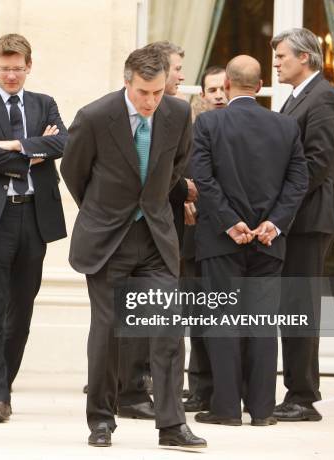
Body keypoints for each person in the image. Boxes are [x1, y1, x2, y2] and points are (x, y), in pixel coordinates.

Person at [61, 45, 206, 449]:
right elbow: (74, 172)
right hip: (108, 239)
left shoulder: (177, 114)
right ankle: (102, 421)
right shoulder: (94, 117)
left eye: (158, 92)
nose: (151, 101)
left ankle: (172, 425)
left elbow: (177, 164)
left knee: (167, 330)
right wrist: (105, 210)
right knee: (108, 332)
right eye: (144, 92)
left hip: (156, 238)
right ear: (127, 82)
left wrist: (151, 202)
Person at [191, 55, 307, 426]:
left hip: (221, 241)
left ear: (226, 86)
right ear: (259, 87)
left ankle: (225, 409)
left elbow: (202, 179)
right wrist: (274, 222)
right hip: (269, 241)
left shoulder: (208, 123)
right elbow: (298, 182)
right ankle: (262, 410)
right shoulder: (286, 127)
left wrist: (229, 222)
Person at [0, 33, 67, 423]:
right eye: (4, 68)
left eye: (18, 68)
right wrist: (32, 150)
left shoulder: (45, 103)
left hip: (34, 216)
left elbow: (63, 143)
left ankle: (4, 382)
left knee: (21, 310)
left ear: (29, 66)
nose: (11, 75)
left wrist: (10, 146)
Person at [270, 27, 334, 422]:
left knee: (300, 307)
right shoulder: (297, 98)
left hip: (309, 219)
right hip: (296, 219)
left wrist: (278, 211)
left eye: (282, 56)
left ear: (306, 57)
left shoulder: (325, 97)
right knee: (291, 306)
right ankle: (297, 391)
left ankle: (303, 397)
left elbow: (316, 164)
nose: (276, 62)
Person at [183, 65, 228, 413]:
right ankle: (199, 386)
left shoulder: (243, 129)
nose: (218, 96)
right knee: (197, 315)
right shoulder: (191, 130)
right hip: (193, 236)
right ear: (202, 95)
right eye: (212, 90)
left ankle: (227, 386)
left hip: (230, 237)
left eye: (223, 89)